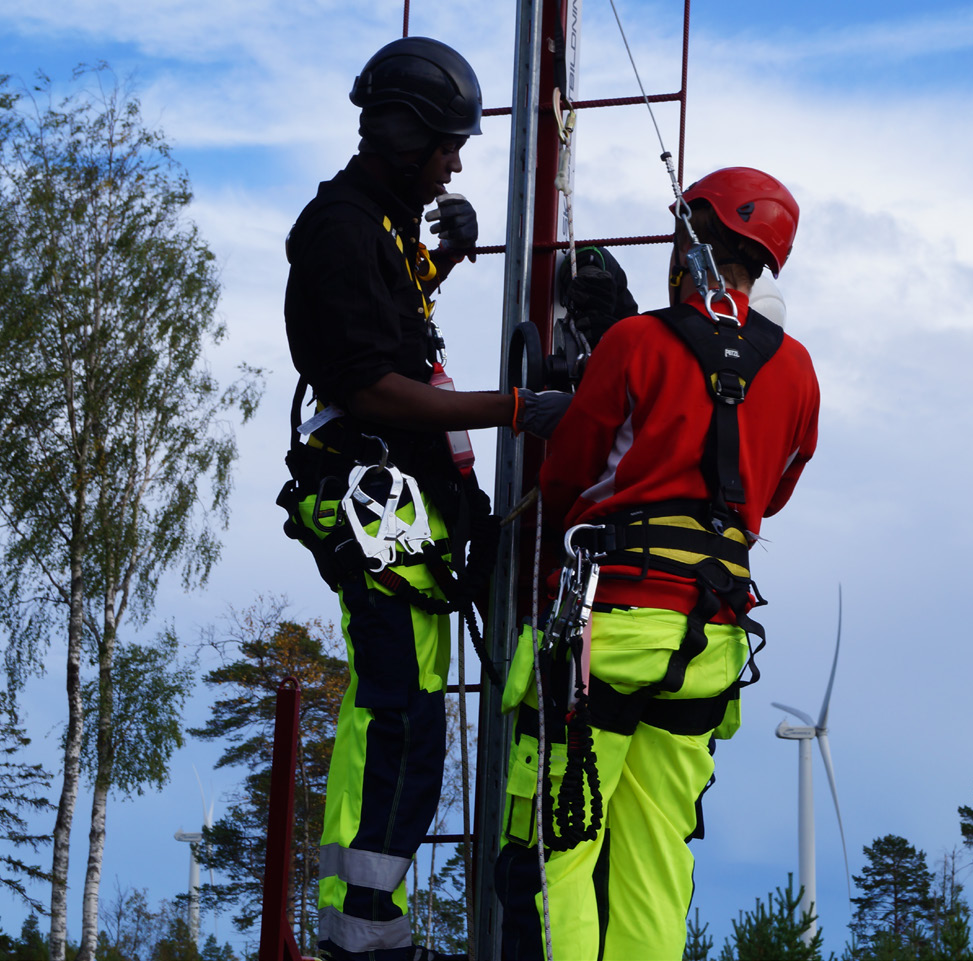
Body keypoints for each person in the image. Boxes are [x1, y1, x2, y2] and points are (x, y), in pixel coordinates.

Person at [279, 36, 566, 960]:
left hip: (407, 501)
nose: (453, 164)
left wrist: (440, 262)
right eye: (445, 144)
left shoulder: (383, 231)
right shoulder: (343, 229)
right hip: (378, 496)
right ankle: (361, 934)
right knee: (400, 713)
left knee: (409, 708)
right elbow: (371, 382)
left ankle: (368, 927)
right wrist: (518, 408)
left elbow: (387, 329)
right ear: (399, 132)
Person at [495, 167, 820, 960]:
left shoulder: (634, 343)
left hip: (610, 628)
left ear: (695, 244)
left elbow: (567, 473)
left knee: (555, 850)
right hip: (709, 644)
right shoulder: (798, 372)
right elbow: (770, 498)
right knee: (655, 859)